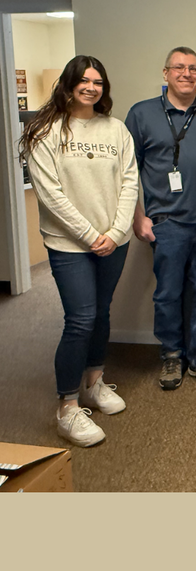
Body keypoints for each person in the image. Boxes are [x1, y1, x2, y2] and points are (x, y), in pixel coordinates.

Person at [20, 55, 138, 446]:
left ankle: (93, 382)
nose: (91, 87)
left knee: (101, 313)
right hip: (70, 245)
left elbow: (129, 184)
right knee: (80, 319)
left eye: (98, 81)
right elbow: (50, 195)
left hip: (113, 241)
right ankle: (67, 408)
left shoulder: (116, 129)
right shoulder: (47, 131)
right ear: (69, 84)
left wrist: (117, 230)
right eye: (84, 80)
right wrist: (90, 235)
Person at [125, 47, 196, 391]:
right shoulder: (142, 114)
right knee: (168, 294)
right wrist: (138, 217)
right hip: (167, 223)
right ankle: (172, 356)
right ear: (165, 73)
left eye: (193, 68)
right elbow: (126, 171)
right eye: (179, 67)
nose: (186, 73)